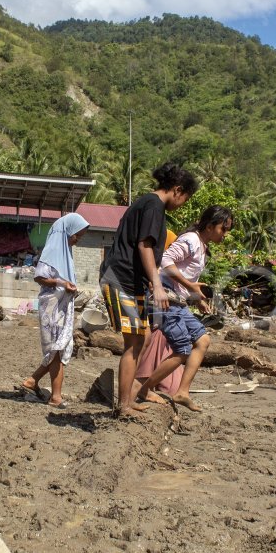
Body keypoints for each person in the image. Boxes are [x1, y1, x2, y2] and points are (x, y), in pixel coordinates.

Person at [100, 164, 198, 416]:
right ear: (178, 190)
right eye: (186, 198)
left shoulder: (148, 205)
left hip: (132, 282)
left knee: (142, 338)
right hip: (121, 278)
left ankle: (129, 399)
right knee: (133, 342)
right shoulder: (154, 206)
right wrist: (157, 285)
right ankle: (123, 405)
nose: (183, 204)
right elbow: (145, 246)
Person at [135, 206, 233, 411]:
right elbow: (165, 261)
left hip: (178, 301)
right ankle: (145, 388)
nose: (225, 234)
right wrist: (190, 287)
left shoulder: (202, 247)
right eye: (223, 229)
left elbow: (185, 276)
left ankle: (182, 392)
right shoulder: (190, 240)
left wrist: (197, 298)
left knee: (203, 341)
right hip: (166, 299)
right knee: (183, 350)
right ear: (209, 226)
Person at [21, 213, 88, 408]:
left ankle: (32, 381)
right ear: (66, 232)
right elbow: (39, 277)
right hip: (51, 305)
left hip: (63, 305)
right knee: (56, 349)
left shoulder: (67, 255)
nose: (77, 240)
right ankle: (55, 397)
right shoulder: (51, 252)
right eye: (76, 235)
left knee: (61, 347)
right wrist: (60, 282)